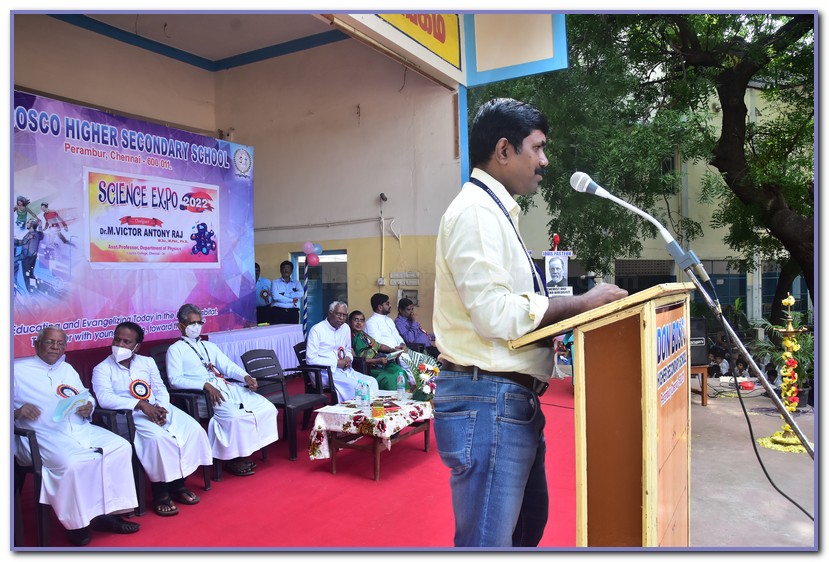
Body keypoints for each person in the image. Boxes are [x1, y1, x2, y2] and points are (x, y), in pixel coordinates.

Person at [433, 98, 628, 547]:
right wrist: (581, 304)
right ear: (504, 150)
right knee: (489, 544)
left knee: (524, 531)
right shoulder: (476, 213)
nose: (545, 161)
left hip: (505, 399)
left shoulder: (494, 211)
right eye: (537, 148)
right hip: (488, 398)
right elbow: (495, 313)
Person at [14, 327, 141, 546]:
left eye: (60, 343)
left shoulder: (67, 368)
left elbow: (85, 395)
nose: (55, 347)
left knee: (120, 447)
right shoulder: (16, 371)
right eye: (50, 342)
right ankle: (77, 526)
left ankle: (109, 515)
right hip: (42, 435)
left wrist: (88, 406)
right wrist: (17, 412)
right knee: (73, 463)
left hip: (80, 428)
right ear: (37, 344)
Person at [92, 322, 212, 517]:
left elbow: (160, 389)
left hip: (159, 408)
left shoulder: (147, 362)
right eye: (117, 339)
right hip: (128, 417)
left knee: (193, 429)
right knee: (159, 439)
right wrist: (140, 405)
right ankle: (161, 493)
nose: (120, 345)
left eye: (126, 342)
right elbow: (104, 398)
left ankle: (178, 484)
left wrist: (161, 407)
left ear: (137, 346)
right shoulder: (102, 368)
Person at [166, 303, 279, 477]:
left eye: (199, 322)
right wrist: (204, 385)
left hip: (225, 387)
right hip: (202, 396)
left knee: (265, 406)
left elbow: (228, 366)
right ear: (180, 326)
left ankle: (249, 449)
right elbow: (174, 380)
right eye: (191, 323)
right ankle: (232, 459)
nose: (196, 327)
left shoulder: (208, 346)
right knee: (235, 417)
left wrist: (246, 377)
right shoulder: (175, 350)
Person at [306, 301, 379, 402]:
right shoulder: (317, 330)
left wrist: (348, 358)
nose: (341, 318)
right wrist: (336, 363)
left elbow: (348, 349)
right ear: (330, 313)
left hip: (344, 369)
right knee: (355, 386)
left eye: (344, 315)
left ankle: (368, 408)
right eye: (338, 314)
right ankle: (352, 410)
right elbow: (311, 359)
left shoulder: (345, 328)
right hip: (324, 372)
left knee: (371, 381)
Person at [349, 310, 409, 391]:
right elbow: (356, 360)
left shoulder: (363, 335)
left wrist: (392, 350)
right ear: (349, 322)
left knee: (399, 371)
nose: (359, 323)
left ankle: (403, 396)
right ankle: (390, 398)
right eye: (356, 320)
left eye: (361, 320)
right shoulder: (349, 337)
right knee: (389, 378)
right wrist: (377, 361)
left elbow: (379, 345)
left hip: (379, 362)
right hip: (367, 367)